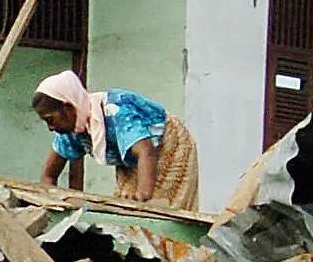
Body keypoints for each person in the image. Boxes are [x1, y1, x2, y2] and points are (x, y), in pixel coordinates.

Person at [30, 70, 193, 205]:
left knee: (162, 205)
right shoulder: (73, 127)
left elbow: (146, 151)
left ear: (68, 107)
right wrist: (49, 201)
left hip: (167, 145)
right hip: (136, 158)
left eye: (50, 120)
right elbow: (49, 176)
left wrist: (143, 194)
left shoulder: (115, 109)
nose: (50, 128)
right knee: (127, 204)